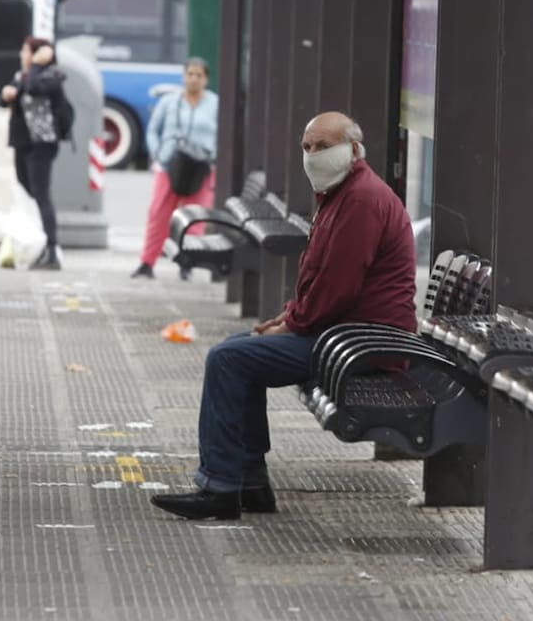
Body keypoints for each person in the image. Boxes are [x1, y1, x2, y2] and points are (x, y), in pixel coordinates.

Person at [149, 111, 418, 520]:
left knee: (229, 360)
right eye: (307, 147)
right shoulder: (342, 194)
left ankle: (220, 486)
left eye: (324, 146)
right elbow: (322, 281)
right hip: (342, 335)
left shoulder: (361, 200)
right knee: (237, 349)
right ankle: (251, 482)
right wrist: (287, 317)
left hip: (360, 345)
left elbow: (337, 286)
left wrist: (294, 323)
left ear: (354, 150)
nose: (313, 156)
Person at [130, 57, 219, 280]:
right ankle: (147, 263)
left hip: (201, 168)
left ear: (206, 79)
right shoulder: (169, 102)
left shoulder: (215, 103)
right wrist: (158, 154)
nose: (194, 79)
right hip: (169, 165)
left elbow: (223, 134)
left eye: (199, 75)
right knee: (158, 214)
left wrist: (213, 157)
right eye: (190, 74)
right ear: (183, 76)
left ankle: (186, 263)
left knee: (193, 217)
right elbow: (153, 130)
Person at [0, 36, 66, 270]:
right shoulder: (22, 75)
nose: (22, 55)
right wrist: (6, 93)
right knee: (27, 191)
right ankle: (35, 241)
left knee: (41, 193)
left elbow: (33, 88)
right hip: (22, 141)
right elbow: (13, 93)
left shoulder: (52, 75)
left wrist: (37, 65)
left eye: (26, 51)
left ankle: (51, 249)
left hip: (42, 143)